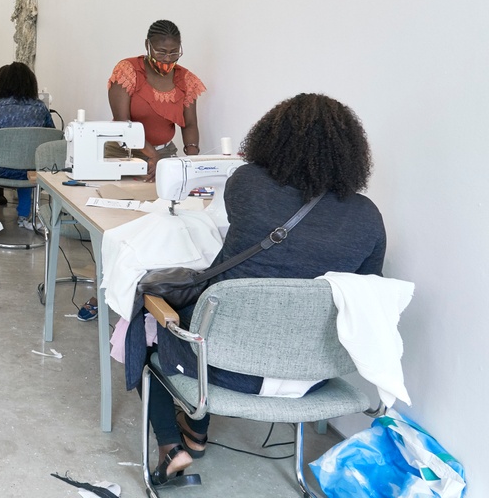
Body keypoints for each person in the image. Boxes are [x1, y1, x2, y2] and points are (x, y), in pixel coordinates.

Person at [145, 93, 386, 486]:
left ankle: (179, 444)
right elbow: (364, 299)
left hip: (223, 371)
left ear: (272, 139)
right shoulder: (368, 217)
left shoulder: (247, 183)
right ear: (352, 153)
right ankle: (193, 433)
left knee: (148, 320)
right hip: (313, 376)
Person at [108, 19, 205, 177]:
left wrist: (192, 160)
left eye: (174, 52)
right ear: (147, 45)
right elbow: (123, 121)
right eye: (161, 52)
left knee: (165, 199)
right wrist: (152, 154)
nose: (167, 58)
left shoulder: (186, 80)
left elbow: (190, 125)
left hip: (164, 154)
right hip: (122, 153)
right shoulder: (128, 71)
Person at [0, 62, 54, 230]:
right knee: (26, 162)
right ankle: (24, 217)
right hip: (30, 172)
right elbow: (51, 136)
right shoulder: (41, 108)